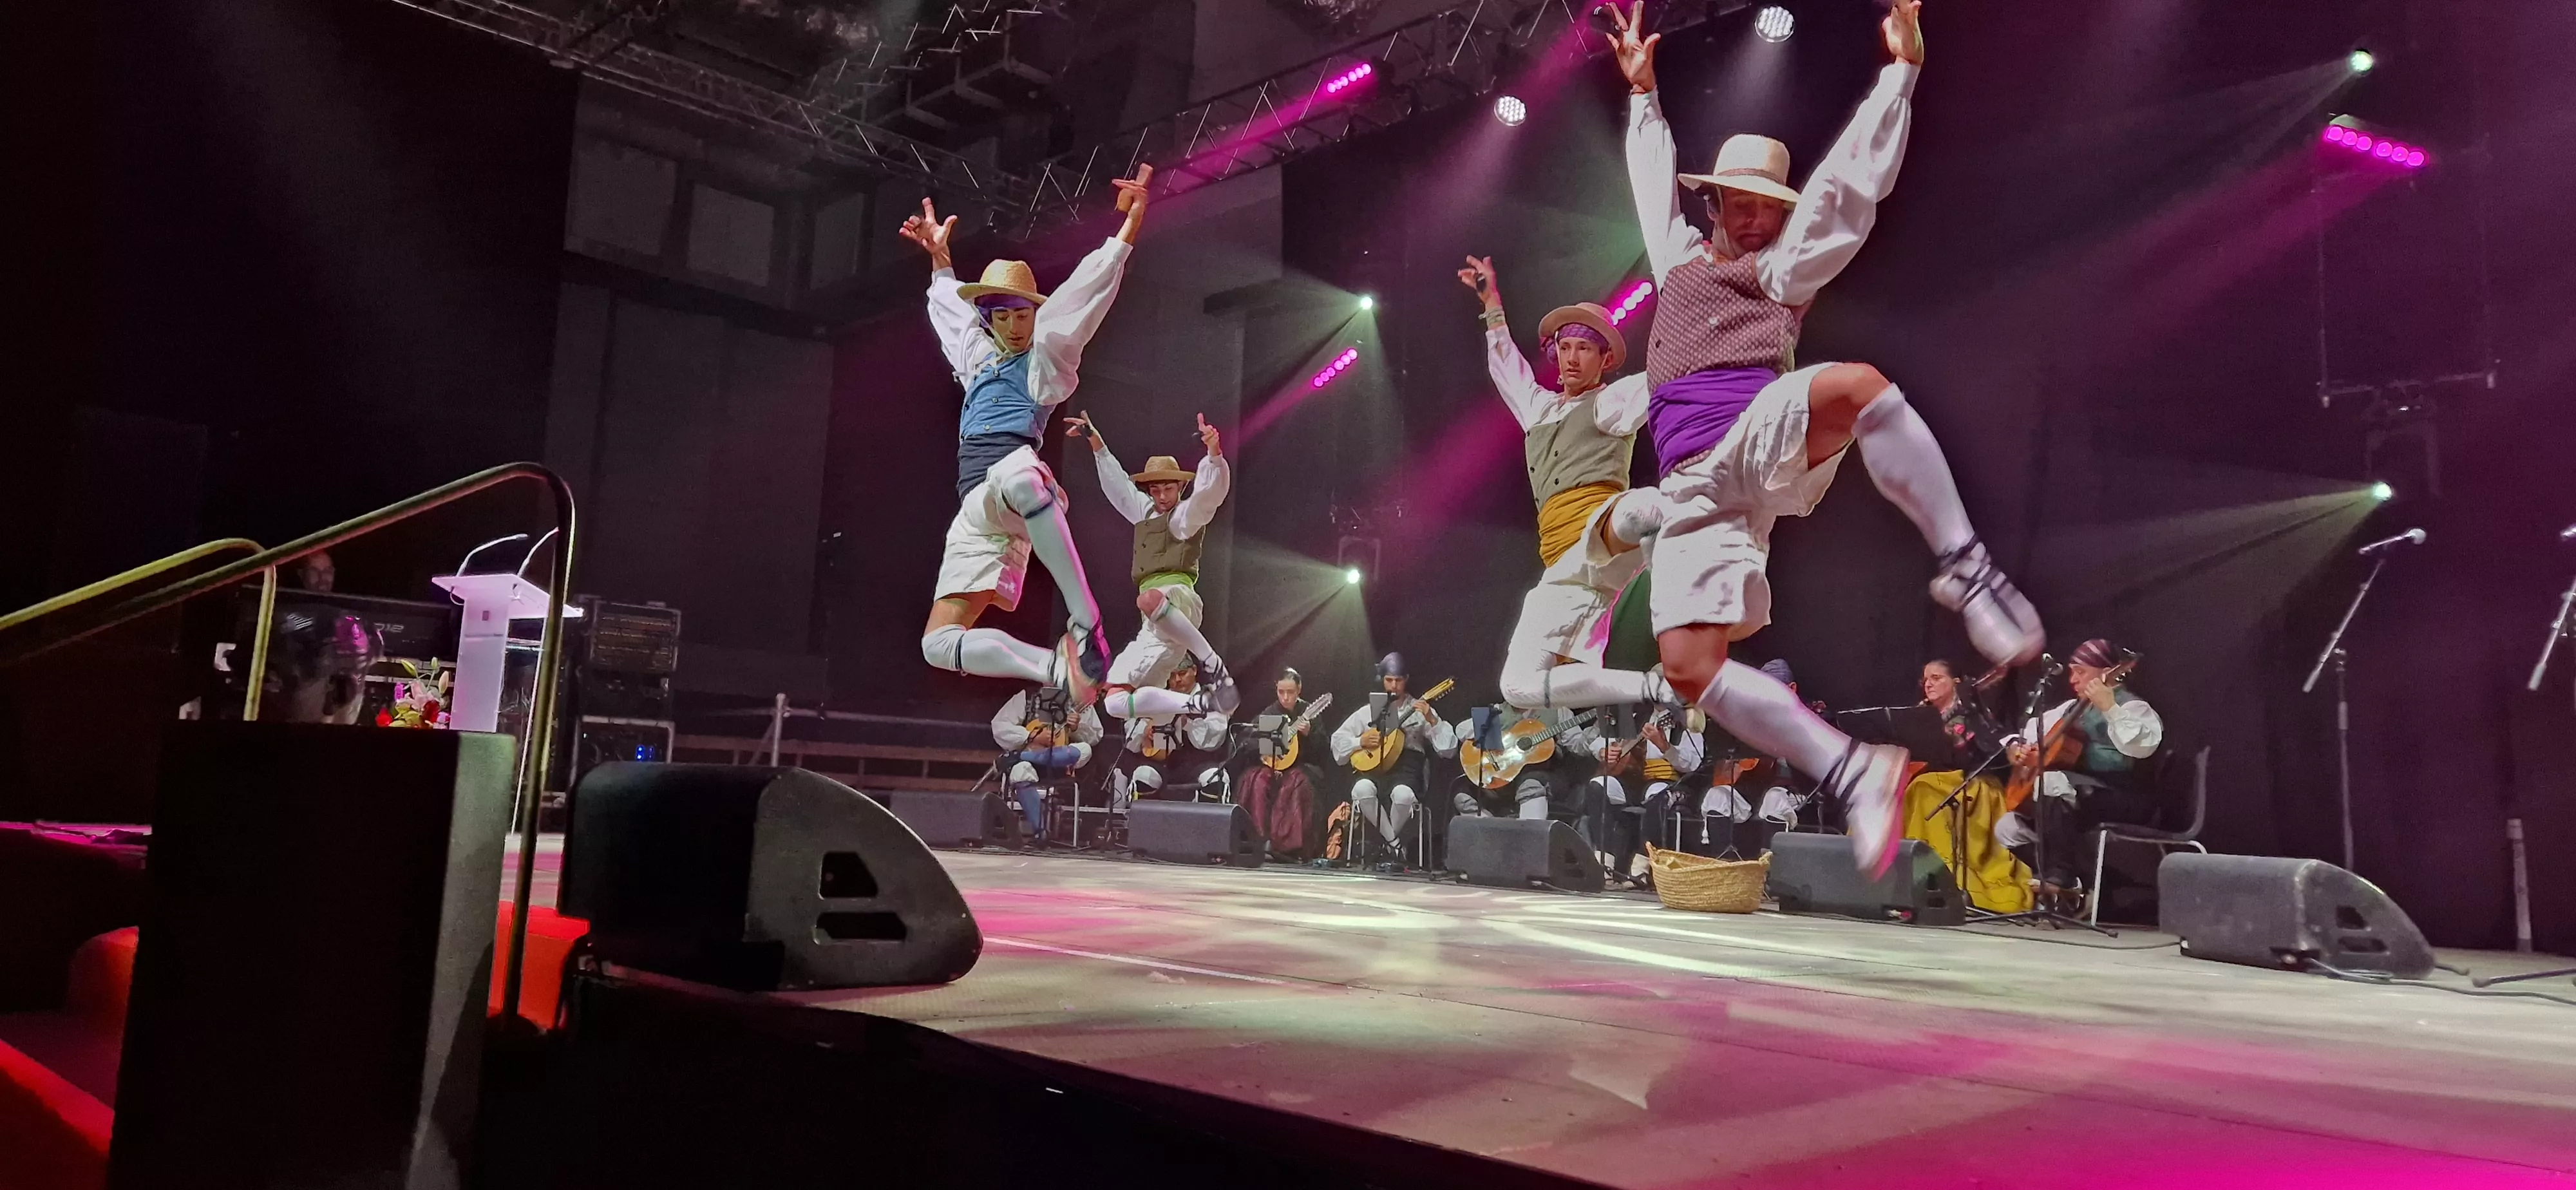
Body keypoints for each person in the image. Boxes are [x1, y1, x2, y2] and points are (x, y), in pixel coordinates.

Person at [1605, 0, 2044, 876]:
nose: (1756, 220)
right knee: (1689, 665)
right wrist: (1644, 95)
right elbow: (1651, 181)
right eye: (1742, 204)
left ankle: (1966, 569)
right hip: (1691, 486)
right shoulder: (1679, 260)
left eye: (1769, 208)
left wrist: (1900, 76)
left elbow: (1848, 191)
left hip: (1753, 435)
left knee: (1859, 387)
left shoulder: (1779, 272)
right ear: (1715, 202)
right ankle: (1850, 767)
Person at [904, 166, 1155, 703]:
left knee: (1021, 479)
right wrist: (940, 256)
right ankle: (1057, 669)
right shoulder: (977, 359)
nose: (1017, 326)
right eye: (1004, 316)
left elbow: (1086, 292)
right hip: (977, 508)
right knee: (937, 645)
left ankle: (1086, 623)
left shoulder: (1044, 361)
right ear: (989, 318)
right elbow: (949, 313)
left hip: (1015, 479)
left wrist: (1130, 226)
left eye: (1024, 315)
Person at [1457, 256, 1668, 712]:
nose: (1573, 357)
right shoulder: (1540, 410)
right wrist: (1492, 304)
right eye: (1566, 347)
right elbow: (1507, 369)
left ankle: (1677, 620)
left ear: (1604, 359)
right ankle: (1656, 688)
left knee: (1646, 509)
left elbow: (1664, 378)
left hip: (1603, 530)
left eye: (1585, 349)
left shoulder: (1610, 401)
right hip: (1564, 565)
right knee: (1518, 686)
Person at [1063, 410, 1239, 721]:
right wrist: (1095, 440)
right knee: (1115, 701)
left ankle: (1214, 666)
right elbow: (1118, 487)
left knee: (1148, 599)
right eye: (1155, 490)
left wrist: (1214, 454)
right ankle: (1200, 705)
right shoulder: (1145, 515)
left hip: (1180, 600)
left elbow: (1208, 497)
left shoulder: (1184, 516)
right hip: (1155, 622)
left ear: (1179, 487)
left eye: (1168, 489)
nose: (1161, 496)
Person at [1999, 638, 2163, 908]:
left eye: (2081, 672)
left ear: (2106, 672)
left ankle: (2061, 874)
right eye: (2072, 672)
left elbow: (2143, 747)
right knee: (2008, 828)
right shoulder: (2070, 709)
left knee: (2051, 780)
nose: (2073, 679)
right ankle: (2082, 882)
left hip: (2124, 796)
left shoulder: (2132, 707)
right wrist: (2018, 749)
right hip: (2077, 797)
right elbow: (2026, 732)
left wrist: (2109, 707)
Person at [1901, 659, 2030, 911]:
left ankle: (1941, 877)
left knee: (1923, 788)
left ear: (1956, 683)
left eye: (1936, 678)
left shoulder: (1972, 713)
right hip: (1939, 781)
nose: (1929, 684)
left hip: (1973, 783)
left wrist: (2013, 746)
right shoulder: (1921, 718)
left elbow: (1999, 739)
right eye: (1925, 680)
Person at [1329, 653, 1455, 865]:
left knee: (1403, 795)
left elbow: (1448, 750)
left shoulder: (1420, 709)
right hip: (1376, 769)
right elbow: (1337, 741)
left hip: (1408, 771)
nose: (1394, 686)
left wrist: (1432, 720)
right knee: (1361, 789)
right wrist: (1360, 742)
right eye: (1389, 680)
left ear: (1406, 679)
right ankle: (1394, 846)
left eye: (1398, 680)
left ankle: (1388, 846)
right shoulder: (1370, 711)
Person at [1586, 706, 1705, 883]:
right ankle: (1604, 864)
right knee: (1598, 786)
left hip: (1669, 783)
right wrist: (1604, 750)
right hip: (1634, 781)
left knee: (1656, 794)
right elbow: (1599, 741)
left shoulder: (1686, 720)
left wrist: (1666, 747)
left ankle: (1640, 870)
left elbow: (1693, 763)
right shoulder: (1638, 717)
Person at [991, 688, 1105, 844]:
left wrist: (1076, 728)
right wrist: (1030, 736)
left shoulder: (1080, 700)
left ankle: (1016, 756)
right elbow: (999, 726)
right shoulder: (1026, 697)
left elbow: (1095, 736)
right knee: (1019, 771)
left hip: (1061, 763)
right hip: (1030, 764)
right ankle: (1041, 831)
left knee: (1085, 749)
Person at [1113, 658, 1232, 808]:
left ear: (1194, 670)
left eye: (1182, 673)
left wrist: (1187, 725)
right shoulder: (1158, 697)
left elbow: (1214, 738)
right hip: (1162, 763)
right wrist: (1144, 731)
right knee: (1143, 775)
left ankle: (1209, 822)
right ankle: (1144, 821)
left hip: (1198, 763)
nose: (1177, 680)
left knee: (1217, 779)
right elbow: (1131, 727)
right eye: (1172, 675)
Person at [1237, 669, 1327, 859]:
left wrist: (1309, 734)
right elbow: (1248, 742)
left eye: (1291, 692)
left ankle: (1286, 847)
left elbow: (1323, 751)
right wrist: (1267, 751)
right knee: (1256, 779)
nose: (1286, 697)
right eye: (1281, 692)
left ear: (1299, 689)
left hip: (1301, 767)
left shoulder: (1308, 713)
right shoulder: (1270, 713)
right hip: (1272, 765)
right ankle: (1259, 841)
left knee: (1295, 781)